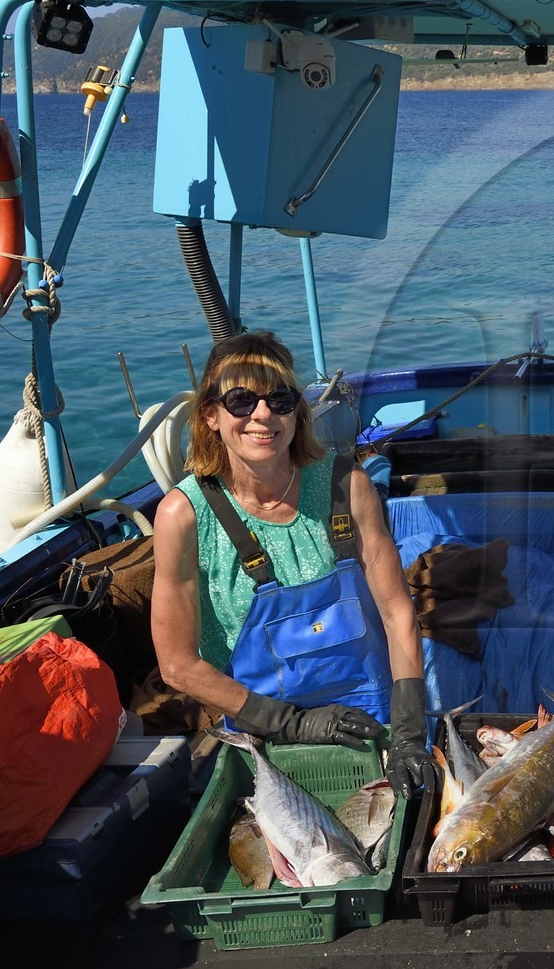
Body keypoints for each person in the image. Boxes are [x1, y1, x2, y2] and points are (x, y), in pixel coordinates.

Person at [151, 330, 437, 797]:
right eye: (241, 401)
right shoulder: (181, 516)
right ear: (211, 416)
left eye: (279, 399)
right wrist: (291, 724)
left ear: (296, 413)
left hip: (372, 715)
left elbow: (396, 610)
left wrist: (408, 731)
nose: (262, 415)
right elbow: (177, 665)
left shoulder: (348, 485)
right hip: (262, 728)